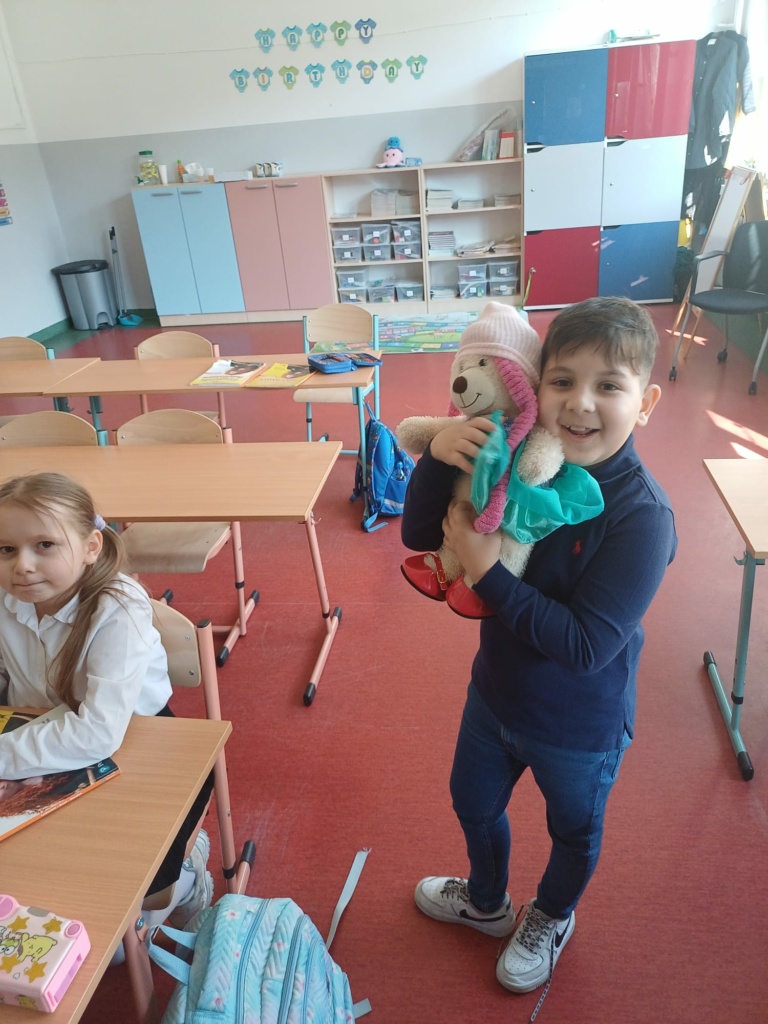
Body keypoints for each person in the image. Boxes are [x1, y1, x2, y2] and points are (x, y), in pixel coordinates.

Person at [402, 297, 677, 1009]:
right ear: (533, 386)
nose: (580, 403)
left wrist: (486, 571)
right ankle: (487, 901)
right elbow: (418, 536)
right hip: (495, 693)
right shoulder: (522, 461)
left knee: (573, 831)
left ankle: (551, 914)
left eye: (608, 386)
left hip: (580, 725)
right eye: (562, 381)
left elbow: (586, 647)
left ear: (645, 402)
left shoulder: (643, 517)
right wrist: (436, 457)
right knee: (471, 802)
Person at [0, 472, 215, 941]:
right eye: (6, 550)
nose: (23, 566)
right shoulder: (6, 598)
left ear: (91, 546)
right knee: (40, 878)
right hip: (41, 739)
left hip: (144, 747)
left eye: (44, 545)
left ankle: (190, 871)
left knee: (128, 921)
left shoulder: (118, 606)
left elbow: (98, 733)